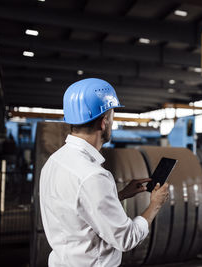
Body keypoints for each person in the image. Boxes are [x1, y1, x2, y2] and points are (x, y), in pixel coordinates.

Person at [39, 78, 169, 267]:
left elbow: (78, 208)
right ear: (104, 122)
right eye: (112, 117)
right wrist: (155, 205)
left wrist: (122, 194)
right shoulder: (93, 176)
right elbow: (127, 238)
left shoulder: (54, 161)